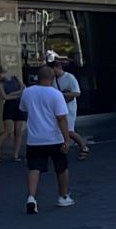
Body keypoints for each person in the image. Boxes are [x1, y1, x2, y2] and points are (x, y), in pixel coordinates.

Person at [20, 66, 73, 213]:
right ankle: (63, 196)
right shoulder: (56, 94)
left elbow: (23, 109)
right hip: (54, 137)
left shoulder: (27, 92)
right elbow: (61, 118)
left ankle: (31, 197)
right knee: (61, 167)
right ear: (52, 78)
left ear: (38, 77)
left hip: (35, 138)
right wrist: (66, 139)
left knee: (34, 168)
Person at [48, 56, 90, 159]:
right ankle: (63, 149)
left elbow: (77, 93)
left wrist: (63, 95)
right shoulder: (52, 80)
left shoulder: (69, 77)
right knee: (59, 130)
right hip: (57, 107)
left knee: (69, 131)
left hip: (69, 107)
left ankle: (83, 146)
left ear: (57, 67)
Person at [0, 66, 25, 162]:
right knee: (8, 131)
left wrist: (11, 94)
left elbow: (23, 88)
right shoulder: (0, 83)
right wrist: (17, 94)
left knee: (18, 131)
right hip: (9, 106)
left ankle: (15, 154)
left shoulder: (15, 78)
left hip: (19, 105)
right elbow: (4, 97)